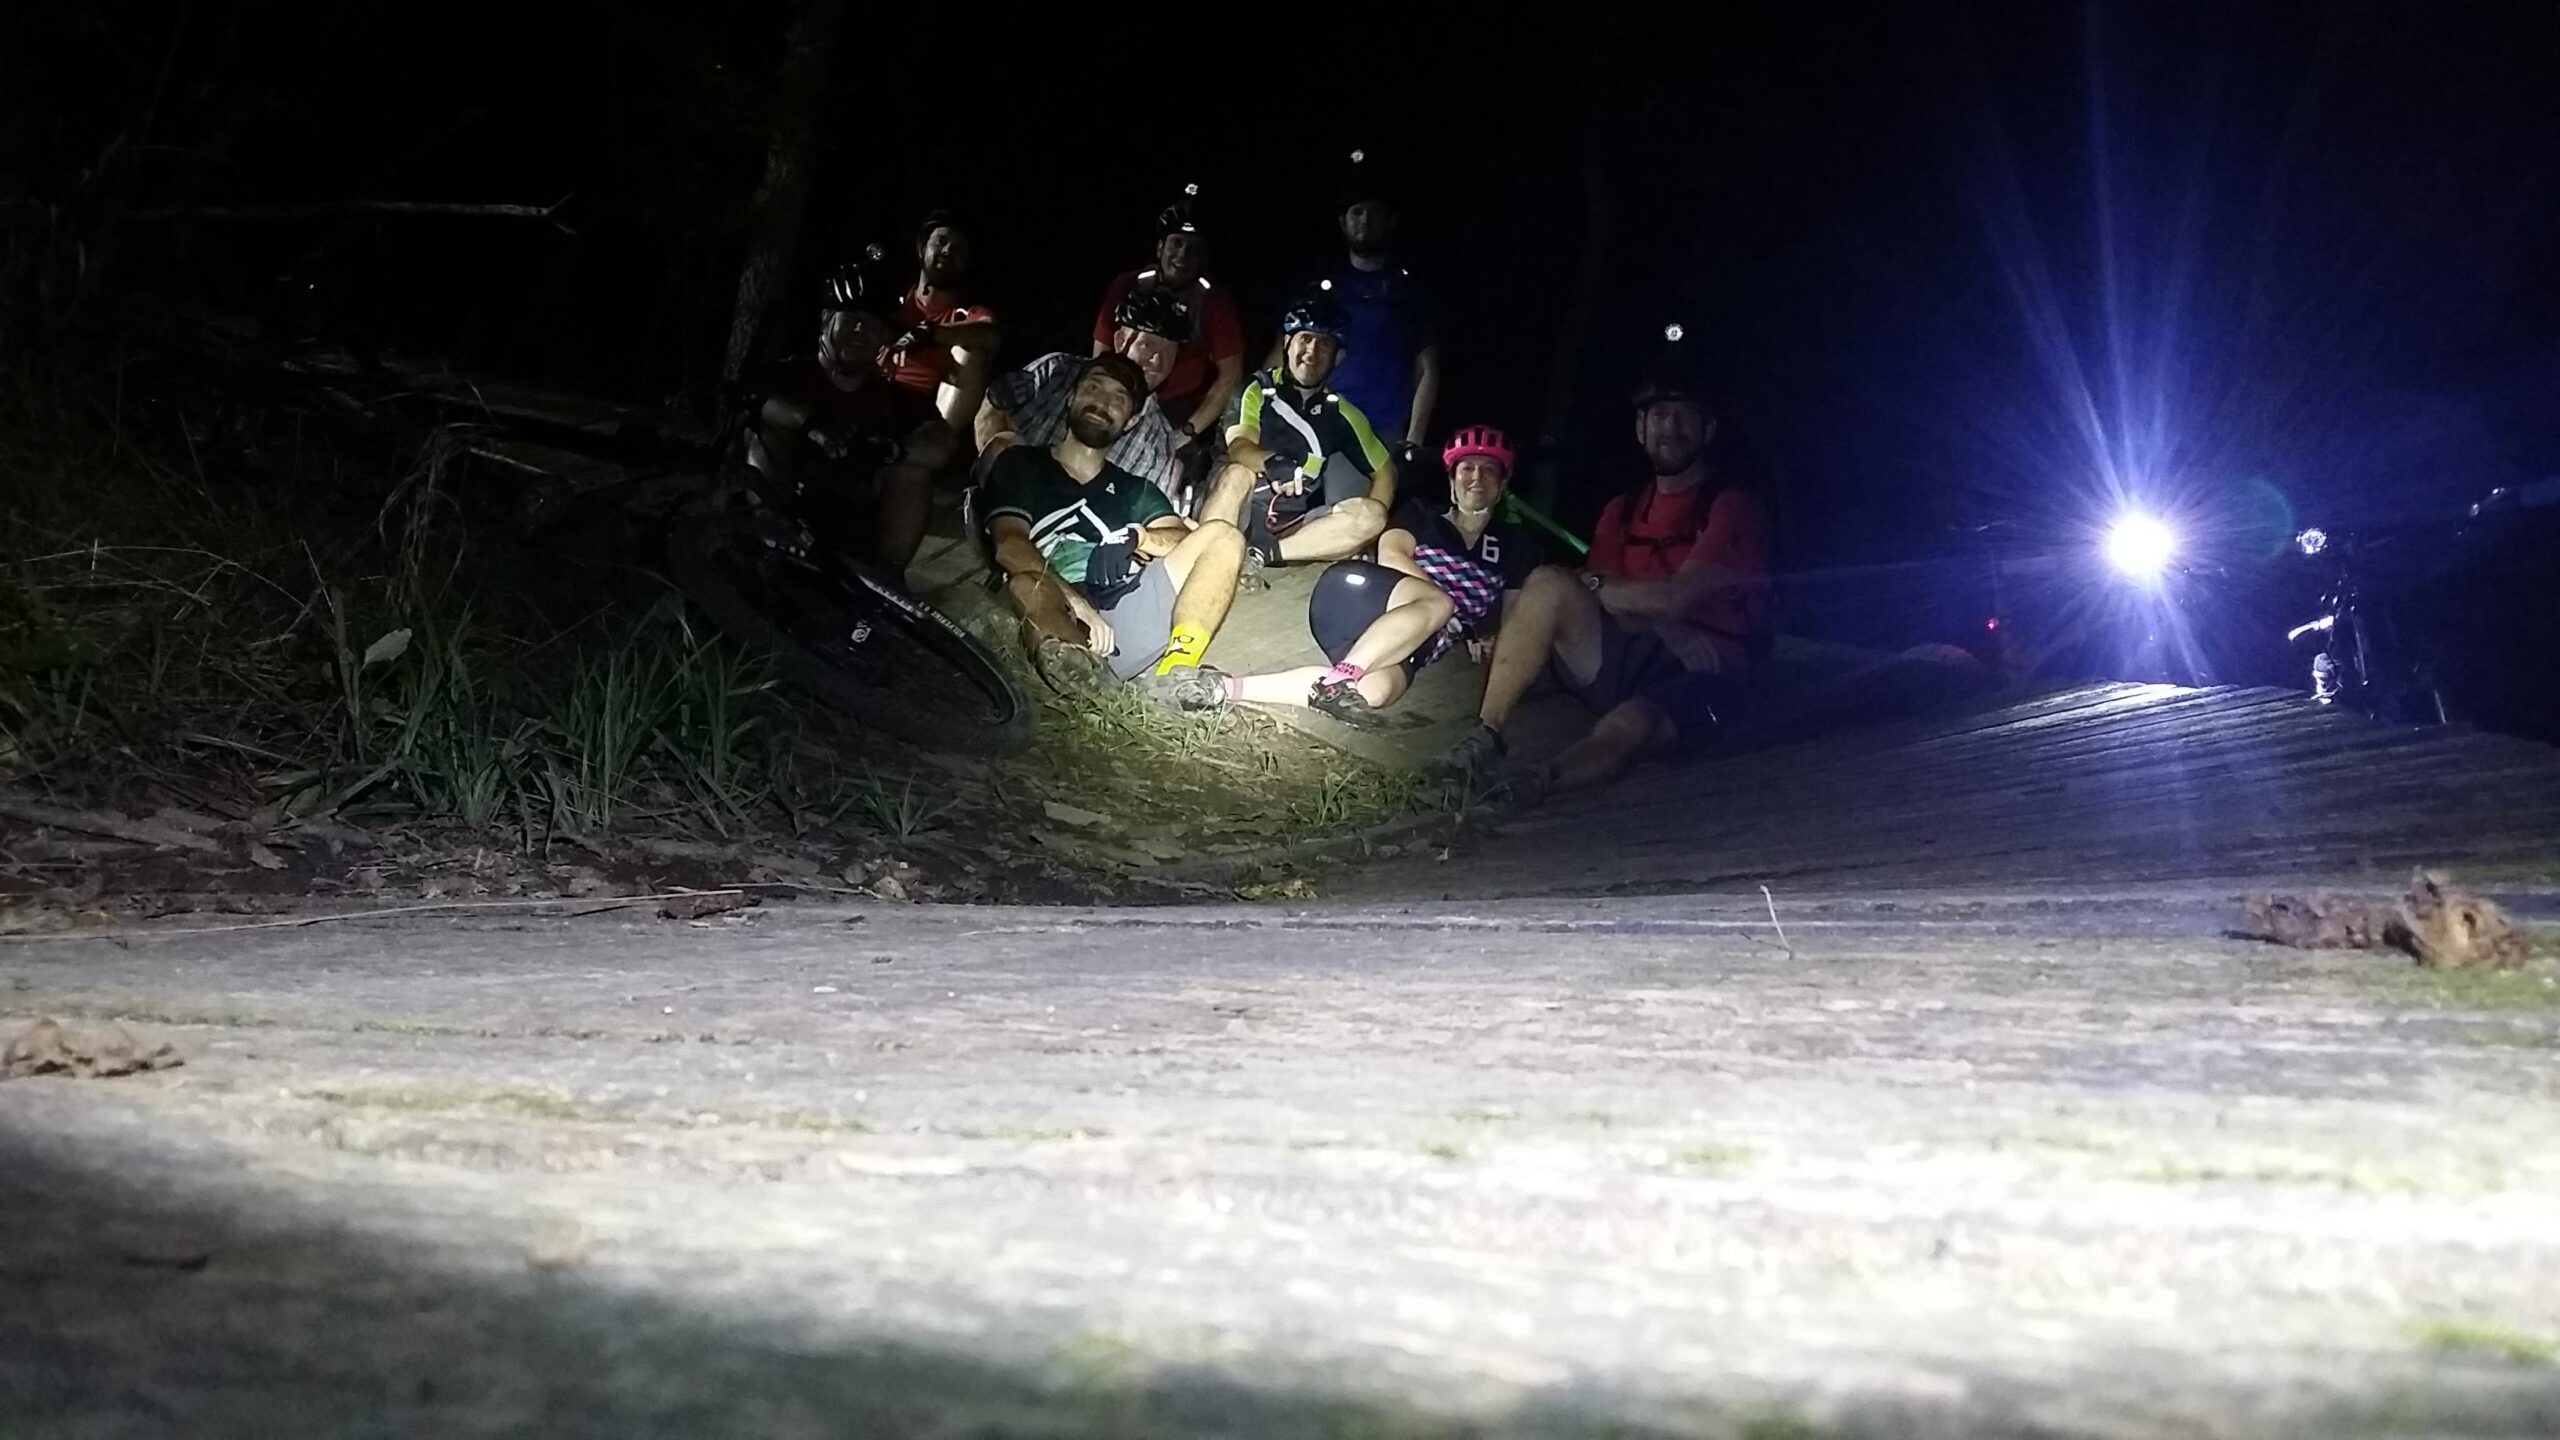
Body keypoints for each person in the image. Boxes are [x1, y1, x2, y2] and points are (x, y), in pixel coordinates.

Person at [1439, 338, 1772, 800]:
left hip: (1706, 671)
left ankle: (1534, 785)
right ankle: (1486, 734)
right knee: (1549, 582)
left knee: (1630, 726)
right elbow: (1595, 595)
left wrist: (1610, 590)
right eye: (1658, 416)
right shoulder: (1622, 508)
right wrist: (1657, 621)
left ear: (1708, 428)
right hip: (1635, 651)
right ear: (1640, 428)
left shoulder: (1731, 507)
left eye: (1683, 416)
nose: (1669, 428)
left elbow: (1678, 598)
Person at [1185, 425, 1541, 728]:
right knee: (1439, 602)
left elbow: (1512, 618)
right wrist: (1454, 615)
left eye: (1488, 470)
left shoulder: (1515, 545)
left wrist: (1488, 636)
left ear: (1503, 480)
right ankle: (1343, 677)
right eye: (1466, 469)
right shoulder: (1423, 515)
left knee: (1375, 693)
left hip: (1411, 642)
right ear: (1451, 478)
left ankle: (1222, 689)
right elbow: (1391, 554)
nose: (1476, 478)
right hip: (1363, 597)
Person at [981, 353, 1246, 705]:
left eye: (1118, 398)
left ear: (1132, 420)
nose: (1103, 402)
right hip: (1056, 611)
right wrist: (1077, 604)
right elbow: (1009, 544)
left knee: (1225, 536)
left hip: (1125, 609)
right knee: (1025, 582)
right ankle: (1081, 677)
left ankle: (1174, 675)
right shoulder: (1022, 465)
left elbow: (1184, 540)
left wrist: (1142, 537)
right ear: (1071, 396)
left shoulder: (1136, 490)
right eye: (1093, 387)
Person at [746, 260, 955, 573]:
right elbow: (755, 399)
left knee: (915, 471)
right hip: (784, 504)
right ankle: (766, 542)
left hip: (853, 519)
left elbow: (941, 443)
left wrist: (891, 449)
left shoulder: (897, 399)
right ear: (827, 320)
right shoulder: (787, 373)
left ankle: (885, 580)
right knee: (764, 432)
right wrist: (812, 423)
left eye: (872, 325)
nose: (861, 331)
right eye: (852, 319)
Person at [1270, 152, 1440, 469]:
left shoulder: (1407, 292)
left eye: (1374, 213)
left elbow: (1427, 368)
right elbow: (1280, 352)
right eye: (1357, 212)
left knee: (1354, 514)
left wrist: (1414, 439)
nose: (1365, 221)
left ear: (1391, 221)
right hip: (1310, 421)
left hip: (1377, 432)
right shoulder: (1318, 285)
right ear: (1343, 222)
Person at [1214, 289, 1396, 574]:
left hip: (1291, 525)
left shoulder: (1341, 412)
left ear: (1338, 357)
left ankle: (1262, 555)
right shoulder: (1257, 388)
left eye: (1325, 344)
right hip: (1236, 508)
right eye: (1305, 339)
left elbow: (1385, 472)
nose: (1312, 351)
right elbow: (1239, 447)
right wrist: (1273, 463)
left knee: (1372, 516)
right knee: (1238, 473)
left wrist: (1367, 539)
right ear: (1287, 344)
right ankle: (1211, 557)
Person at [976, 286, 1191, 504]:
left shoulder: (1158, 439)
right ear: (1121, 341)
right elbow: (995, 402)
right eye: (1149, 346)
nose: (1157, 362)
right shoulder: (1057, 371)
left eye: (1169, 353)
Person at [1090, 185, 1245, 446]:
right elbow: (1100, 352)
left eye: (1193, 249)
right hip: (1123, 389)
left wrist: (1184, 435)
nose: (1182, 255)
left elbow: (1231, 376)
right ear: (1160, 247)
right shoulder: (1127, 284)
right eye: (1176, 243)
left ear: (1204, 258)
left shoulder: (1215, 301)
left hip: (1176, 407)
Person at [883, 210, 1001, 433]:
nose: (947, 251)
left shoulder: (966, 315)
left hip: (923, 414)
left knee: (973, 352)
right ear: (922, 248)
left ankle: (942, 438)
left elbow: (990, 332)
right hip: (873, 397)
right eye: (941, 241)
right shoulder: (892, 300)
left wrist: (927, 332)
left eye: (958, 249)